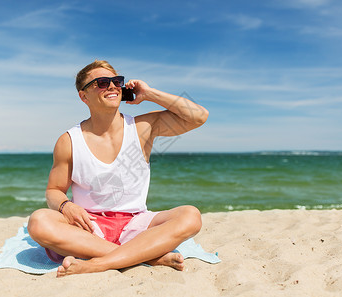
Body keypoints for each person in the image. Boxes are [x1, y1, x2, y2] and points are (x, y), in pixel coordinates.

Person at [28, 60, 209, 277]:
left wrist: (149, 93)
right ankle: (149, 257)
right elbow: (53, 190)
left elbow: (198, 115)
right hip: (88, 229)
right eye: (102, 83)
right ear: (83, 96)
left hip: (136, 224)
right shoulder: (69, 141)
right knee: (39, 221)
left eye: (117, 81)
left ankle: (98, 264)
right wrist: (66, 206)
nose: (113, 86)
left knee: (191, 215)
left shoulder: (143, 128)